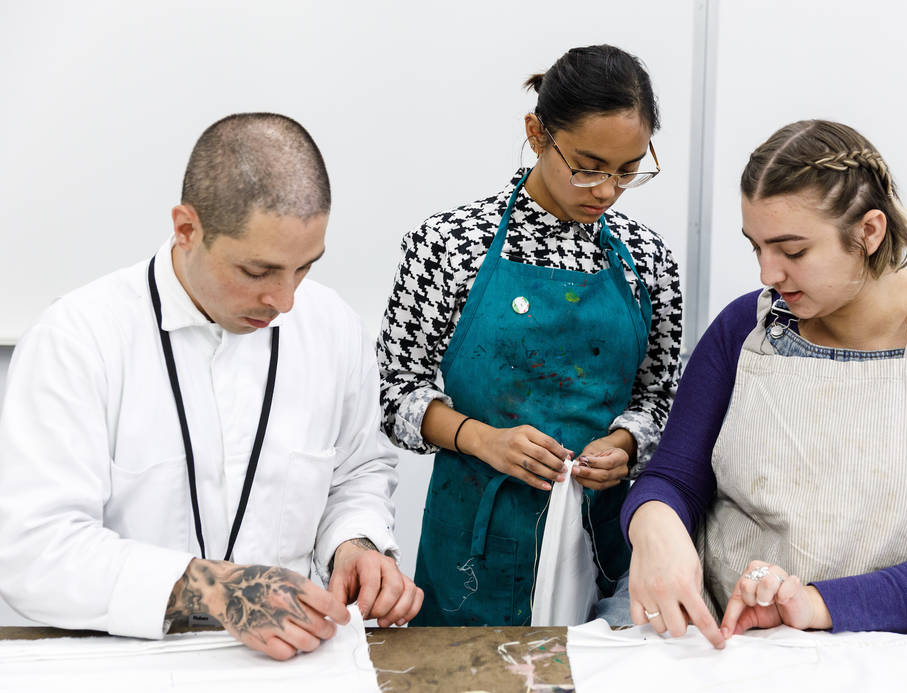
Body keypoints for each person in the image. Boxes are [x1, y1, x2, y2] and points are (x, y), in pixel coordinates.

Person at [0, 113, 422, 660]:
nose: (285, 301)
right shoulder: (79, 339)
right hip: (120, 662)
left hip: (289, 665)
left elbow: (356, 474)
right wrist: (208, 587)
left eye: (304, 269)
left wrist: (356, 542)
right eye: (256, 271)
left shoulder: (332, 327)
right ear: (186, 229)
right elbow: (34, 551)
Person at [623, 119, 907, 647]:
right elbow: (675, 480)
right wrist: (653, 522)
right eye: (756, 247)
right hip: (738, 660)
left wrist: (814, 604)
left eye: (792, 251)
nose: (767, 273)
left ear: (869, 232)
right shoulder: (741, 333)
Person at [378, 44, 683, 626]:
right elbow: (393, 395)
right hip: (475, 542)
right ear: (537, 133)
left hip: (602, 543)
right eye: (588, 165)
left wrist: (623, 447)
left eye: (627, 170)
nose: (606, 190)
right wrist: (480, 438)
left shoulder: (649, 258)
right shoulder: (449, 245)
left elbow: (660, 400)